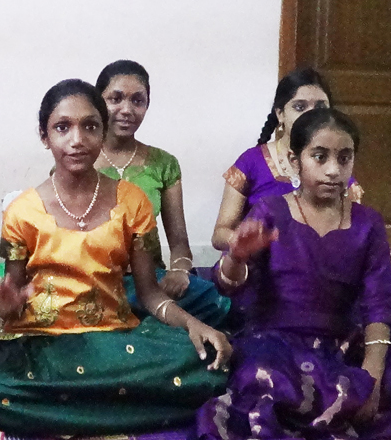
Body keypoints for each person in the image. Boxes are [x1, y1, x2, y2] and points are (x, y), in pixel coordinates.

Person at [0, 79, 230, 436]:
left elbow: (150, 295)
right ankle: (118, 408)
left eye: (90, 127)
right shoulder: (21, 211)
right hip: (44, 341)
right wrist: (7, 306)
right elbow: (14, 299)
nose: (77, 140)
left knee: (209, 362)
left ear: (103, 132)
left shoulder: (132, 201)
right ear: (45, 136)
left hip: (114, 339)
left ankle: (65, 412)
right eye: (62, 127)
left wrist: (192, 324)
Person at [198, 108, 391, 440]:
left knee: (377, 385)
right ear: (294, 159)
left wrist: (371, 373)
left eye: (344, 158)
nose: (333, 170)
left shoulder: (368, 223)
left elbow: (379, 303)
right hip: (273, 341)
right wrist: (237, 256)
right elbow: (226, 285)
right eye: (320, 156)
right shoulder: (271, 211)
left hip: (342, 344)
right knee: (264, 379)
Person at [94, 60, 229, 327]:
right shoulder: (79, 160)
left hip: (151, 282)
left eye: (137, 101)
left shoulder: (163, 164)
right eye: (115, 99)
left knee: (217, 302)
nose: (126, 110)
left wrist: (179, 271)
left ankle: (144, 324)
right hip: (98, 281)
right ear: (98, 102)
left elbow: (179, 243)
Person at [211, 67, 362, 252]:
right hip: (256, 262)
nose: (310, 114)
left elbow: (353, 236)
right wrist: (247, 241)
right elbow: (219, 234)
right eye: (300, 107)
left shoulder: (336, 173)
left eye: (320, 107)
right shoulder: (251, 162)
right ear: (280, 114)